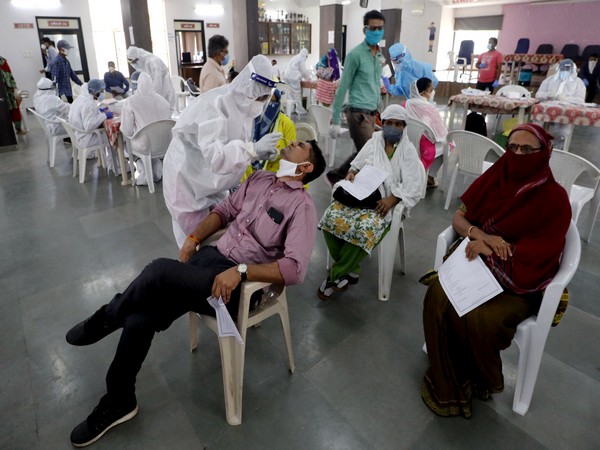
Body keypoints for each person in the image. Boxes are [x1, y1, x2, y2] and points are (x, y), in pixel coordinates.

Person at [65, 140, 326, 447]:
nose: (292, 142)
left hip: (241, 286)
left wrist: (241, 271)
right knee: (140, 317)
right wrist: (194, 237)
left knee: (159, 271)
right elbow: (225, 210)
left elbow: (295, 269)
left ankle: (107, 317)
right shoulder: (260, 179)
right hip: (211, 263)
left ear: (305, 168)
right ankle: (120, 399)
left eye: (301, 146)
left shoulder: (302, 207)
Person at [421, 123, 571, 418]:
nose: (518, 154)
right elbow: (459, 217)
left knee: (481, 318)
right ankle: (449, 379)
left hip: (518, 278)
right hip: (478, 261)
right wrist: (480, 235)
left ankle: (482, 378)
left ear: (546, 152)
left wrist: (502, 250)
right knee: (439, 297)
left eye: (528, 149)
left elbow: (546, 251)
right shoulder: (496, 176)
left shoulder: (554, 198)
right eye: (513, 147)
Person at [162, 55, 284, 248]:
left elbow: (233, 143)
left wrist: (255, 153)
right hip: (187, 181)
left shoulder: (242, 105)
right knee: (196, 243)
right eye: (258, 97)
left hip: (212, 183)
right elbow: (217, 158)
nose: (260, 103)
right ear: (247, 87)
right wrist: (253, 150)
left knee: (219, 234)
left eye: (264, 98)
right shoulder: (215, 105)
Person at [317, 105, 425, 299]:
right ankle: (352, 268)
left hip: (383, 204)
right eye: (389, 123)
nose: (393, 127)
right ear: (382, 124)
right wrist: (351, 173)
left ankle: (335, 275)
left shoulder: (407, 151)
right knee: (330, 219)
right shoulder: (374, 141)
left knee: (365, 228)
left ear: (404, 127)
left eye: (398, 124)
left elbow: (414, 186)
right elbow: (357, 163)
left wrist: (393, 199)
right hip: (361, 194)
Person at [327, 10, 387, 186]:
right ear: (365, 29)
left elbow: (375, 84)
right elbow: (343, 86)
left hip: (371, 112)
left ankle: (339, 175)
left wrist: (380, 110)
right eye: (373, 28)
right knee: (368, 152)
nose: (377, 32)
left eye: (380, 28)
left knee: (367, 151)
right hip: (357, 113)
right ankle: (342, 177)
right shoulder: (355, 55)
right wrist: (336, 119)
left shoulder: (379, 55)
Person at [120, 72, 172, 186]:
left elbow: (127, 131)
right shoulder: (162, 100)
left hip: (145, 146)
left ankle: (143, 172)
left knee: (125, 144)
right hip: (165, 143)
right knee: (150, 142)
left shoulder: (130, 102)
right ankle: (156, 169)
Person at [242, 89, 297, 180]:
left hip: (274, 177)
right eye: (262, 100)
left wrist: (278, 154)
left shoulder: (286, 124)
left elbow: (293, 158)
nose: (266, 105)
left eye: (271, 101)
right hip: (246, 176)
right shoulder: (247, 121)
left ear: (277, 103)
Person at [404, 78, 448, 188]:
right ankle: (430, 177)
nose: (433, 92)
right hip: (424, 147)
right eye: (431, 89)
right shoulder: (429, 108)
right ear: (424, 93)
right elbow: (441, 132)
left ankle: (429, 176)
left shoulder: (406, 103)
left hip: (407, 141)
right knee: (448, 144)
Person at [536, 59, 586, 147]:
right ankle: (537, 144)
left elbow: (580, 100)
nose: (565, 72)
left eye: (567, 70)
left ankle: (557, 148)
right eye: (563, 70)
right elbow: (538, 94)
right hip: (546, 109)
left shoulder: (578, 83)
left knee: (562, 131)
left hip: (566, 111)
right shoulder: (549, 80)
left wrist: (565, 99)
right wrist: (548, 95)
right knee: (537, 126)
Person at [68, 79, 111, 159]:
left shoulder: (80, 99)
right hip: (86, 139)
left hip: (78, 136)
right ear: (94, 91)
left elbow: (87, 116)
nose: (103, 93)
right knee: (113, 137)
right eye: (101, 91)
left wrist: (98, 112)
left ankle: (109, 162)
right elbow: (89, 125)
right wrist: (104, 115)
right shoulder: (88, 103)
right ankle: (117, 165)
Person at [127, 46, 175, 110]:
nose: (134, 64)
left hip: (164, 88)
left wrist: (152, 98)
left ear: (138, 58)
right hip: (157, 91)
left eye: (134, 62)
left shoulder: (154, 62)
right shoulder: (144, 64)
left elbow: (158, 84)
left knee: (164, 109)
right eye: (132, 63)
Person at [0, 55, 25, 134]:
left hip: (8, 90)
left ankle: (18, 128)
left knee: (14, 109)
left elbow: (9, 74)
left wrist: (13, 87)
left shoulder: (2, 61)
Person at [283, 48, 312, 115]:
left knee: (290, 93)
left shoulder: (295, 57)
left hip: (287, 76)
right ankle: (299, 110)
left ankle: (291, 109)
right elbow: (303, 71)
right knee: (297, 93)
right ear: (305, 55)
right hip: (293, 78)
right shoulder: (301, 59)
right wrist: (308, 78)